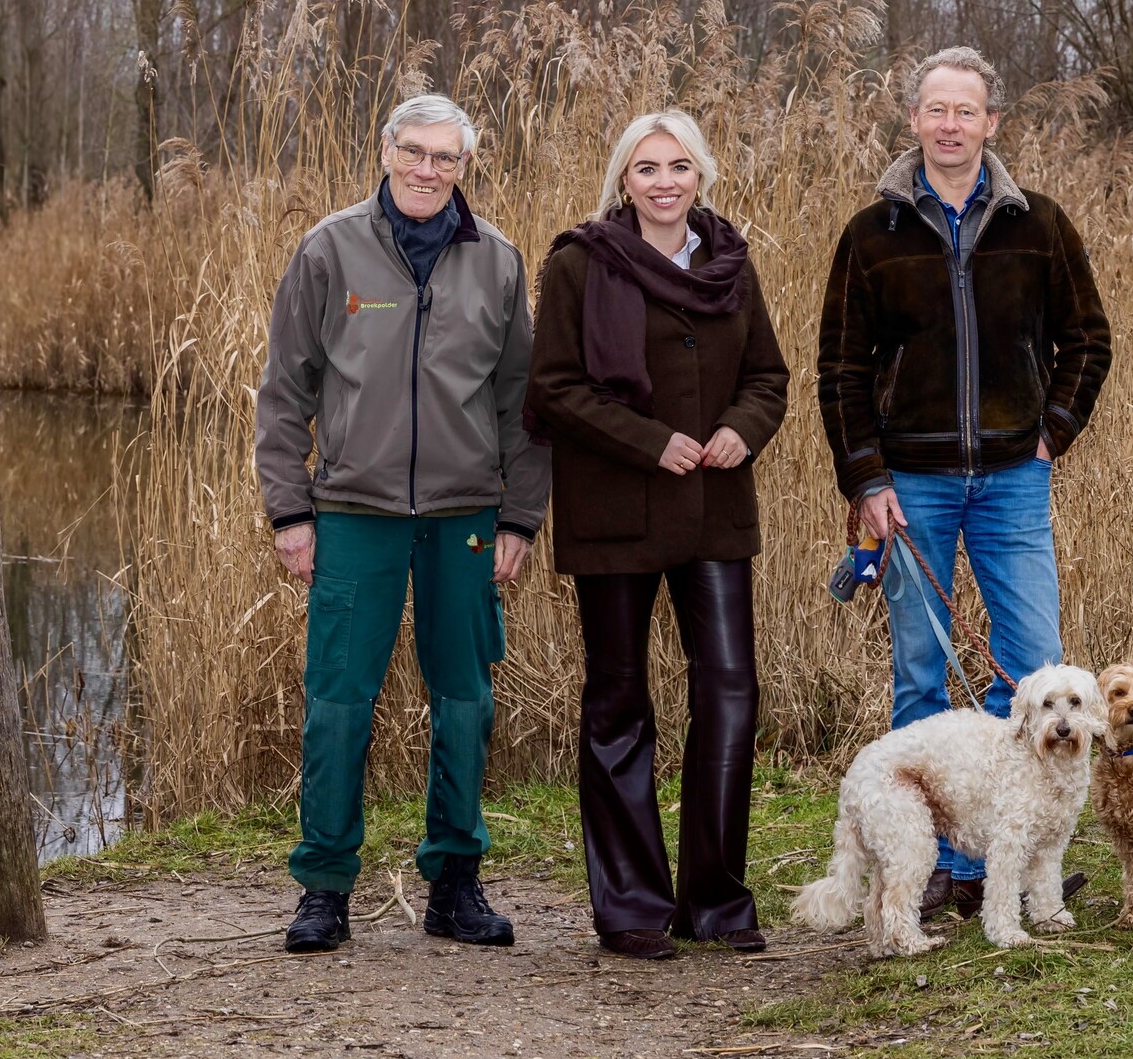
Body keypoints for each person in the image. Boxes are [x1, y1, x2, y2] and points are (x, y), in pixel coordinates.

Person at [817, 47, 1114, 922]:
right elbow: (839, 369)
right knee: (920, 672)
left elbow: (1088, 340)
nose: (951, 126)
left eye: (967, 111)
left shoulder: (1039, 223)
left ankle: (1007, 856)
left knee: (1028, 664)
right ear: (914, 121)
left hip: (1014, 483)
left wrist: (1052, 431)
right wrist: (866, 477)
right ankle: (937, 862)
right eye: (935, 110)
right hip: (911, 485)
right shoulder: (874, 233)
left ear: (993, 124)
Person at [255, 94, 550, 954]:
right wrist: (289, 509)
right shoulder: (331, 248)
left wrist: (519, 518)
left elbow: (519, 406)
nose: (428, 171)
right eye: (414, 152)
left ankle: (455, 881)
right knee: (339, 703)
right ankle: (325, 887)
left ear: (465, 165)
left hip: (464, 517)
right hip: (353, 513)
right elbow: (285, 392)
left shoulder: (495, 260)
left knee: (464, 701)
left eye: (446, 158)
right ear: (385, 150)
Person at [526, 111, 790, 960]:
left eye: (679, 166)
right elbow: (555, 388)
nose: (664, 182)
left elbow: (768, 376)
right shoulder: (580, 263)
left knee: (729, 694)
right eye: (647, 169)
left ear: (701, 176)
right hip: (616, 512)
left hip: (715, 511)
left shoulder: (731, 265)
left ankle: (715, 899)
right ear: (623, 180)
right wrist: (651, 439)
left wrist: (743, 429)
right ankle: (633, 907)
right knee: (617, 705)